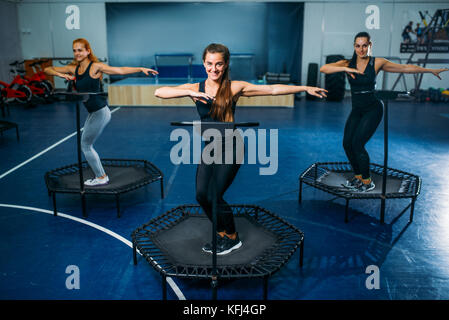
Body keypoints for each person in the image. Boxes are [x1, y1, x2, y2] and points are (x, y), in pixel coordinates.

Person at [155, 43, 327, 255]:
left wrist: (304, 88)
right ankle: (222, 232)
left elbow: (272, 89)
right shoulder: (195, 88)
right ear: (203, 63)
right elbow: (159, 92)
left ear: (226, 64)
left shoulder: (234, 87)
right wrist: (190, 94)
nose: (214, 69)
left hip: (231, 145)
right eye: (209, 64)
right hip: (210, 146)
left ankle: (232, 237)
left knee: (215, 195)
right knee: (201, 195)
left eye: (219, 64)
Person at [320, 31, 448, 192]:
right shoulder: (347, 63)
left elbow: (405, 68)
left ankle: (367, 182)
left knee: (358, 144)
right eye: (358, 46)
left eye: (364, 46)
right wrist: (345, 69)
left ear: (369, 45)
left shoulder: (377, 62)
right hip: (357, 109)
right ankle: (358, 177)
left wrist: (429, 71)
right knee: (347, 144)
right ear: (354, 46)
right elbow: (324, 68)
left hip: (373, 109)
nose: (361, 49)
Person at [45, 38, 158, 186]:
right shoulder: (74, 68)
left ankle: (101, 176)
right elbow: (47, 69)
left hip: (100, 112)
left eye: (80, 50)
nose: (77, 53)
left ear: (88, 51)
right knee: (85, 144)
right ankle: (100, 175)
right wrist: (59, 75)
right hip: (93, 112)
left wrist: (140, 69)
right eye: (74, 50)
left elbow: (119, 70)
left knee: (85, 145)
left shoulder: (95, 67)